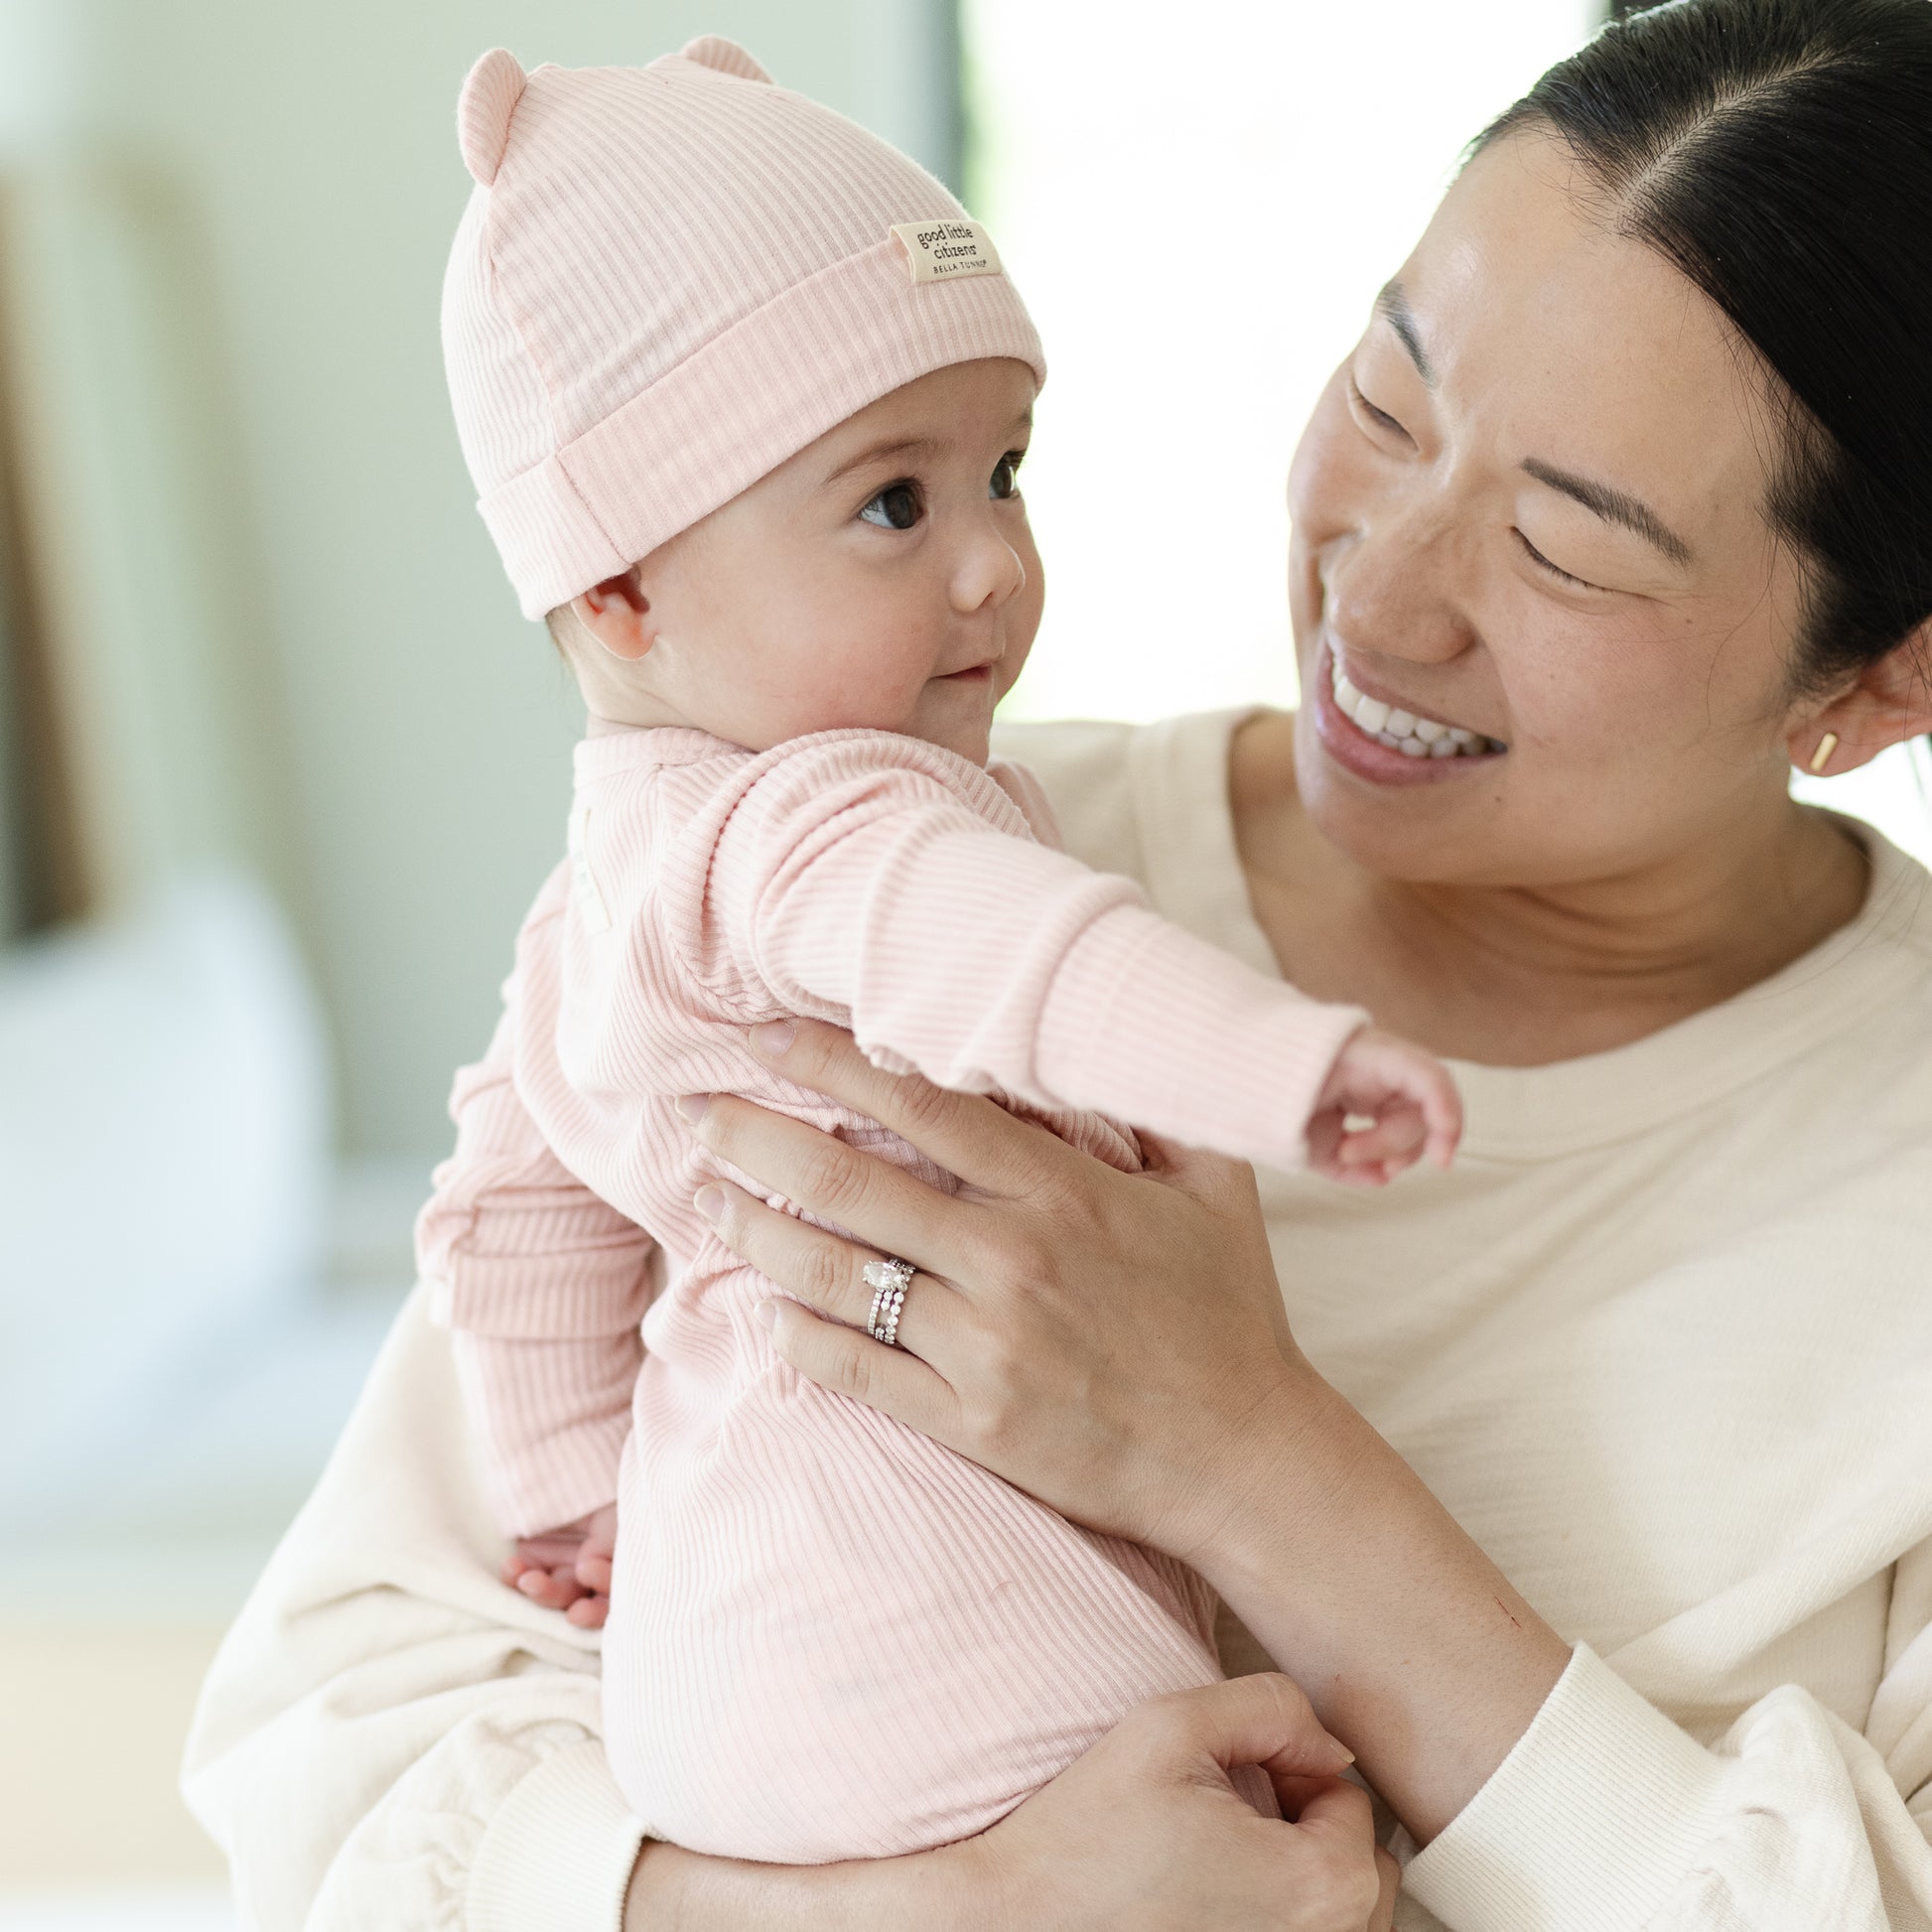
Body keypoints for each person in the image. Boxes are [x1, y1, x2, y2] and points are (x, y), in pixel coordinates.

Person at [184, 0, 1932, 1924]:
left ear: (1877, 679)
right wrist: (940, 1908)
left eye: (1558, 545)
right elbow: (330, 1761)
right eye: (1384, 404)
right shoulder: (894, 861)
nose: (1376, 593)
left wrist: (1246, 1452)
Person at [423, 33, 1459, 1867]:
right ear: (622, 586)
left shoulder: (592, 902)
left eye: (1006, 472)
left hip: (725, 1683)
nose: (992, 565)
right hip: (926, 1648)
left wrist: (571, 1490)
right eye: (893, 504)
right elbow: (1023, 960)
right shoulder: (814, 828)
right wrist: (1283, 1068)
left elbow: (508, 1215)